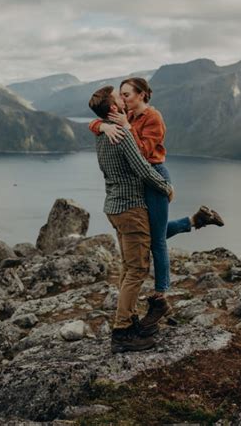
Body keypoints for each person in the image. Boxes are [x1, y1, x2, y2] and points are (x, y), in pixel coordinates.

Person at [89, 77, 224, 299]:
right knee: (149, 234)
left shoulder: (153, 117)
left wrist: (126, 127)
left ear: (141, 94)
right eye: (120, 95)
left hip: (154, 176)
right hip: (138, 180)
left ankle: (161, 292)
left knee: (156, 240)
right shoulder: (127, 115)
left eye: (127, 94)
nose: (123, 99)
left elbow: (141, 152)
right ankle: (195, 220)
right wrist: (102, 125)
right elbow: (94, 122)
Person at [89, 85, 176, 354]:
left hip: (113, 208)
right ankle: (123, 332)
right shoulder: (123, 134)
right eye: (119, 96)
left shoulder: (103, 134)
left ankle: (127, 320)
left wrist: (101, 126)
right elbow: (143, 170)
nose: (123, 99)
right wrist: (165, 187)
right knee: (137, 270)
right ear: (114, 108)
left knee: (127, 268)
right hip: (131, 209)